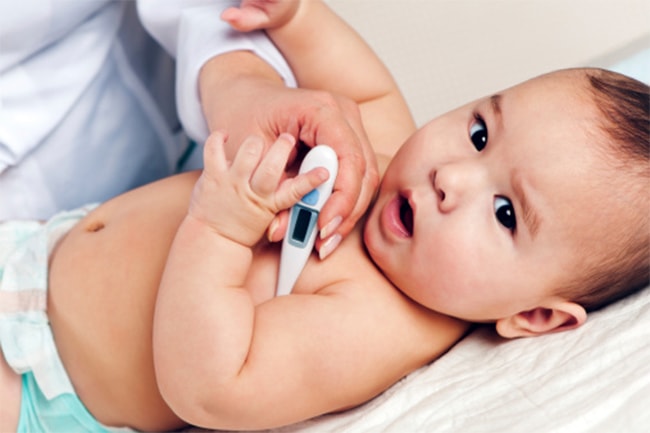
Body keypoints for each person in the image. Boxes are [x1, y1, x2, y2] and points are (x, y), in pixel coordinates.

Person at [1, 0, 648, 432]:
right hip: (35, 247)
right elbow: (363, 89)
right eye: (480, 133)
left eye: (505, 212)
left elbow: (212, 384)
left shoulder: (382, 323)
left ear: (535, 316)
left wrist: (219, 232)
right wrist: (299, 17)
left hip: (53, 376)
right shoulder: (384, 164)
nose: (452, 176)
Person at [0, 0, 378, 257]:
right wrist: (300, 16)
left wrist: (239, 82)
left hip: (144, 124)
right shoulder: (389, 154)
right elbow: (372, 95)